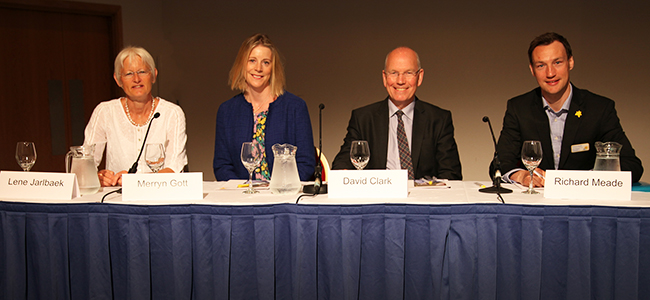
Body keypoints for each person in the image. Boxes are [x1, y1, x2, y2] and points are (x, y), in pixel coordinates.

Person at [493, 32, 643, 186]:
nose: (550, 73)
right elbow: (499, 165)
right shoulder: (519, 108)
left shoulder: (599, 109)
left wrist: (587, 180)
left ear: (570, 62)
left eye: (557, 62)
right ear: (532, 70)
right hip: (536, 203)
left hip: (585, 203)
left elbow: (632, 165)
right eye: (541, 65)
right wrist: (520, 175)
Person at [332, 47, 462, 180]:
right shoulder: (363, 119)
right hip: (378, 197)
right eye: (394, 73)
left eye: (408, 73)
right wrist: (344, 174)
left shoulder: (439, 119)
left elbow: (451, 174)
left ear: (420, 77)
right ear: (384, 77)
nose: (400, 80)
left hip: (423, 197)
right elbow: (343, 162)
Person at [213, 34, 315, 181]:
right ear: (242, 65)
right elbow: (222, 166)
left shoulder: (295, 107)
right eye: (252, 61)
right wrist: (243, 190)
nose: (258, 68)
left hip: (283, 196)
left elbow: (306, 164)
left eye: (266, 63)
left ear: (273, 68)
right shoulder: (226, 111)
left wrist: (279, 187)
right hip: (241, 197)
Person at [84, 46, 188, 187]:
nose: (136, 79)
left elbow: (175, 168)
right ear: (118, 79)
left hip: (159, 197)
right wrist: (99, 177)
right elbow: (85, 164)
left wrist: (134, 181)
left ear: (153, 75)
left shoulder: (172, 113)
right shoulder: (104, 112)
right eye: (128, 74)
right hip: (116, 197)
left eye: (142, 72)